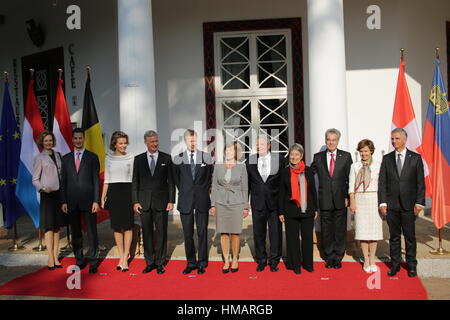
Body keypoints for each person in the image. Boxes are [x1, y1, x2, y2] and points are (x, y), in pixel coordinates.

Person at [378, 128, 425, 277]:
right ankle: (395, 264)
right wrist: (382, 203)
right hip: (392, 206)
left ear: (405, 140)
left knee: (410, 237)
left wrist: (419, 203)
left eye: (397, 139)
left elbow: (420, 183)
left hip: (409, 206)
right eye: (392, 139)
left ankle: (411, 265)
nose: (394, 141)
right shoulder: (387, 159)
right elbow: (383, 183)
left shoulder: (415, 158)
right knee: (394, 237)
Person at [132, 130, 175, 275]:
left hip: (162, 202)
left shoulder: (167, 158)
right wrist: (135, 201)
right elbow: (135, 182)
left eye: (156, 141)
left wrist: (171, 200)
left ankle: (160, 262)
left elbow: (171, 182)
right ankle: (149, 262)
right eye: (152, 142)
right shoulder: (138, 159)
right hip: (144, 203)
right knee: (147, 232)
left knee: (162, 232)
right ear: (146, 142)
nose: (155, 144)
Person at [311, 128, 353, 269]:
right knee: (327, 230)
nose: (331, 142)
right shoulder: (317, 157)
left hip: (341, 199)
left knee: (340, 230)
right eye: (328, 139)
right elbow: (309, 174)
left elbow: (350, 179)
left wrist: (348, 197)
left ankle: (338, 256)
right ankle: (329, 257)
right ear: (325, 140)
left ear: (338, 141)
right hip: (324, 200)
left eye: (333, 140)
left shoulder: (346, 157)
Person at [173, 129, 213, 275]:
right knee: (187, 233)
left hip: (202, 199)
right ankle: (191, 262)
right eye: (190, 140)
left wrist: (201, 190)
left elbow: (209, 178)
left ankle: (202, 262)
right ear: (185, 141)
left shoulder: (206, 157)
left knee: (202, 232)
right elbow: (177, 180)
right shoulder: (178, 159)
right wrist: (186, 191)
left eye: (194, 140)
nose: (192, 143)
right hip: (185, 200)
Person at [61, 128, 100, 274]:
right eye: (75, 138)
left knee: (91, 232)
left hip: (89, 202)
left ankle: (94, 261)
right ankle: (79, 259)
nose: (78, 140)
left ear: (84, 139)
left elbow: (96, 181)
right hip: (71, 202)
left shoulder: (92, 157)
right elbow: (63, 181)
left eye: (80, 138)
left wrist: (96, 200)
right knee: (76, 233)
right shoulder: (65, 159)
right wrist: (63, 201)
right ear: (72, 140)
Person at [246, 135, 286, 272]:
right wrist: (246, 203)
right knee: (259, 233)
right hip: (257, 202)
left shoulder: (279, 159)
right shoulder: (250, 161)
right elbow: (247, 184)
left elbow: (283, 182)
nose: (258, 147)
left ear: (268, 146)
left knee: (275, 233)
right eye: (257, 145)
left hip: (274, 203)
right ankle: (261, 259)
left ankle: (274, 260)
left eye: (261, 145)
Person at [278, 144, 318, 275]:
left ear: (301, 156)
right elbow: (281, 193)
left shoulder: (308, 171)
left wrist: (315, 208)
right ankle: (295, 264)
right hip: (290, 209)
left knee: (307, 238)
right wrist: (281, 211)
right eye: (292, 155)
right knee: (292, 238)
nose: (294, 157)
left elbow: (312, 191)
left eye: (296, 155)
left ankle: (308, 264)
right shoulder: (284, 172)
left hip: (307, 209)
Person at [210, 142, 249, 273]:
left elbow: (245, 188)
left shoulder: (242, 167)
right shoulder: (218, 166)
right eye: (227, 150)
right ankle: (226, 260)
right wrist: (213, 204)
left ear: (236, 152)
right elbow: (214, 186)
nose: (229, 152)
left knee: (235, 233)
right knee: (224, 232)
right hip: (221, 203)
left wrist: (245, 206)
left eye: (232, 150)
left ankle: (235, 259)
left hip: (237, 203)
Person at [101, 131, 134, 272]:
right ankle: (121, 256)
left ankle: (125, 257)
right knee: (116, 226)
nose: (123, 145)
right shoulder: (108, 158)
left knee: (128, 226)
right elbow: (107, 180)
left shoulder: (131, 157)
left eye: (125, 143)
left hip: (128, 192)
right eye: (121, 143)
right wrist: (103, 197)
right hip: (113, 193)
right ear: (114, 143)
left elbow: (134, 179)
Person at [32, 131, 65, 271]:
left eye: (50, 140)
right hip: (47, 195)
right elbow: (35, 179)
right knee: (49, 227)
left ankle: (56, 256)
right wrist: (44, 188)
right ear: (42, 142)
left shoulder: (58, 155)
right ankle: (50, 256)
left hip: (59, 194)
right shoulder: (39, 158)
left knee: (57, 227)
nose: (48, 143)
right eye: (46, 141)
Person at [349, 139, 383, 273]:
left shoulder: (379, 165)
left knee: (373, 232)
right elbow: (351, 185)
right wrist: (352, 201)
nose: (363, 154)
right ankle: (366, 260)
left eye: (366, 151)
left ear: (371, 151)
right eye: (361, 151)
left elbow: (382, 185)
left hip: (374, 198)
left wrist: (382, 202)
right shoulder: (355, 166)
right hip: (360, 199)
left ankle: (372, 259)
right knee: (363, 231)